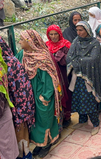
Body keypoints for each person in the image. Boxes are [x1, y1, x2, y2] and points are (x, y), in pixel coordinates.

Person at [16, 30, 61, 158]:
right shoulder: (22, 55)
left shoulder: (42, 58)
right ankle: (40, 144)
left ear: (30, 42)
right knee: (35, 121)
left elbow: (49, 79)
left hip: (42, 95)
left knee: (44, 119)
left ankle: (47, 144)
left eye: (22, 40)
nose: (19, 42)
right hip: (29, 95)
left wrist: (45, 96)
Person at [66, 21, 101, 136]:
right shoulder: (76, 41)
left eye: (81, 30)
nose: (78, 32)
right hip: (77, 76)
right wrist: (80, 60)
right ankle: (82, 120)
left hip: (89, 78)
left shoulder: (94, 43)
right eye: (77, 30)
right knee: (78, 98)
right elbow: (69, 57)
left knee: (88, 100)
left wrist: (78, 60)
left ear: (87, 30)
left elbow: (94, 59)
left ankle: (96, 123)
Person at [0, 37, 35, 159]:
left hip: (18, 107)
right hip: (9, 107)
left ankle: (26, 156)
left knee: (20, 136)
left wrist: (19, 111)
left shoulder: (11, 63)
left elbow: (22, 88)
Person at [46, 25, 72, 128]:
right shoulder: (46, 46)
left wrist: (60, 56)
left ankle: (67, 116)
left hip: (64, 74)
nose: (53, 36)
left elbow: (70, 60)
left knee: (65, 93)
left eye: (55, 34)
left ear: (60, 34)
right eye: (50, 34)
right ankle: (58, 118)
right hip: (51, 76)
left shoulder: (66, 45)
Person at [0, 56, 19, 159]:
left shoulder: (8, 63)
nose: (20, 42)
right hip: (5, 111)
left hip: (2, 113)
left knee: (7, 149)